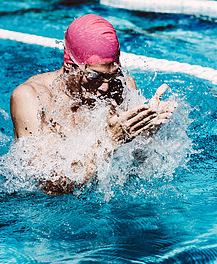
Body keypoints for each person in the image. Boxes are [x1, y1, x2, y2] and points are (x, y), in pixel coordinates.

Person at [10, 14, 177, 194]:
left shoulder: (121, 85)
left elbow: (135, 169)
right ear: (70, 66)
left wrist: (147, 129)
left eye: (112, 74)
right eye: (94, 77)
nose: (105, 87)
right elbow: (48, 186)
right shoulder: (32, 97)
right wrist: (109, 141)